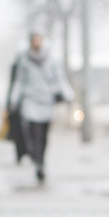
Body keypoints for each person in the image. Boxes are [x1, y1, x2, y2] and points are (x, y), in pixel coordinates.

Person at [8, 32, 74, 183]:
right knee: (31, 131)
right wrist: (14, 99)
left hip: (46, 101)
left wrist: (69, 95)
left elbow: (60, 79)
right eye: (34, 39)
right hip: (30, 100)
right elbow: (19, 82)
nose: (37, 42)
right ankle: (35, 156)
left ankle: (40, 161)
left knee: (43, 134)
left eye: (39, 39)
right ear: (31, 41)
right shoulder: (24, 59)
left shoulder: (52, 59)